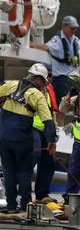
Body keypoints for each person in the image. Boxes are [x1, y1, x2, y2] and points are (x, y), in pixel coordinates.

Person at [0, 63, 56, 212]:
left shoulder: (10, 84)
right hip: (22, 138)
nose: (44, 86)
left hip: (4, 135)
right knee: (24, 171)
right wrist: (52, 141)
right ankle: (25, 207)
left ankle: (11, 205)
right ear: (38, 79)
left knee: (8, 170)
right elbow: (48, 121)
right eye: (44, 82)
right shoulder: (37, 95)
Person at [32, 15, 80, 106]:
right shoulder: (57, 40)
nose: (73, 31)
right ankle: (59, 120)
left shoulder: (76, 41)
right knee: (61, 105)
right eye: (71, 28)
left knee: (74, 104)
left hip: (73, 78)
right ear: (64, 26)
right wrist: (31, 44)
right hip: (61, 78)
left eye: (74, 29)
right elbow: (46, 47)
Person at [32, 72, 58, 204]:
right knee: (32, 158)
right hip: (32, 128)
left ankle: (42, 195)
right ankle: (20, 194)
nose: (47, 80)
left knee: (50, 161)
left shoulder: (49, 91)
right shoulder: (30, 91)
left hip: (45, 130)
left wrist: (53, 134)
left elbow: (51, 113)